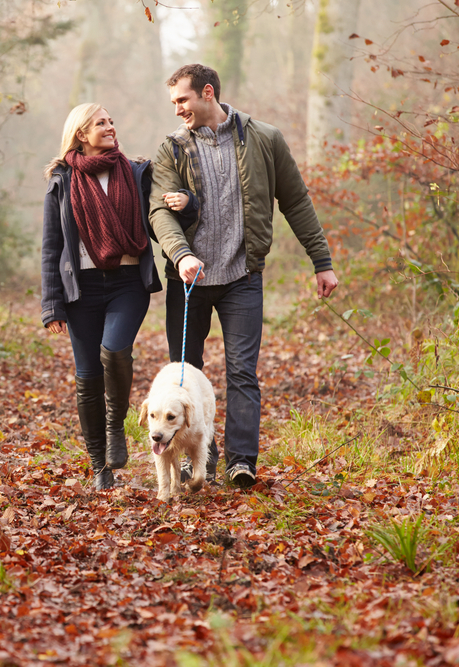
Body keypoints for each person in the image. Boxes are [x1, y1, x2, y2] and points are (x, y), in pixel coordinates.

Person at [149, 64, 339, 489]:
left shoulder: (264, 139)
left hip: (242, 278)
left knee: (242, 373)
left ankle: (240, 462)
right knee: (185, 375)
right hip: (189, 281)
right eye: (174, 103)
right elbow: (159, 212)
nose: (178, 109)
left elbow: (296, 201)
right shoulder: (172, 150)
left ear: (208, 93)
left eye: (183, 100)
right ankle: (191, 462)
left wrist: (321, 261)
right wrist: (180, 255)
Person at [41, 103, 193, 490]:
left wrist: (185, 208)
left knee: (114, 350)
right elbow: (51, 246)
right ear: (81, 134)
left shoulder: (136, 172)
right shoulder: (62, 179)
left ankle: (115, 426)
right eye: (101, 123)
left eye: (111, 121)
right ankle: (99, 467)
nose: (110, 127)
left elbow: (162, 219)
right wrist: (52, 303)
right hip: (81, 290)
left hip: (127, 282)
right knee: (88, 377)